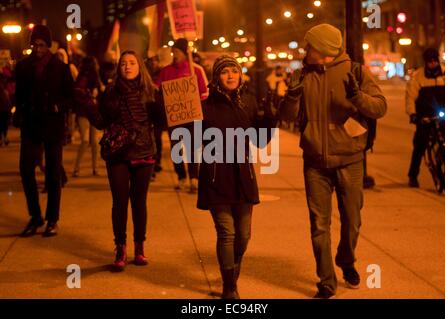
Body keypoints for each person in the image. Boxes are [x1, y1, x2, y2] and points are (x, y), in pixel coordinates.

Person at [279, 24, 387, 298]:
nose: (306, 50)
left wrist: (357, 97)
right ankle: (327, 281)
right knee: (319, 225)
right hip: (315, 161)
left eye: (310, 46)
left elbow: (379, 107)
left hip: (350, 159)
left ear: (324, 48)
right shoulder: (303, 74)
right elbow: (288, 118)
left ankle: (346, 260)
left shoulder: (356, 72)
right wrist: (291, 96)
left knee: (352, 220)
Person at [198, 55, 278, 299]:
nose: (230, 75)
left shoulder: (249, 102)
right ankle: (229, 286)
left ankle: (233, 274)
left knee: (243, 235)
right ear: (216, 77)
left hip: (243, 175)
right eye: (224, 72)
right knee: (227, 233)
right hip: (216, 175)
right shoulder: (205, 105)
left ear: (240, 75)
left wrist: (269, 118)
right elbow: (189, 138)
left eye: (234, 71)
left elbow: (260, 141)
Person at [85, 51, 160, 271]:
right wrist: (88, 106)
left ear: (139, 66)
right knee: (119, 202)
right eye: (123, 63)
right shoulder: (110, 92)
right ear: (119, 68)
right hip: (118, 153)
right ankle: (120, 248)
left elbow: (162, 121)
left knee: (139, 202)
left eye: (132, 63)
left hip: (144, 152)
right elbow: (101, 122)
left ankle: (139, 247)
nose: (127, 66)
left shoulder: (151, 92)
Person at [13, 25, 74, 237]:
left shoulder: (60, 68)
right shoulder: (23, 67)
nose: (37, 49)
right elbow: (18, 95)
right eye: (34, 45)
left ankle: (52, 219)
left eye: (41, 45)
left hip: (52, 125)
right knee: (26, 170)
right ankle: (35, 216)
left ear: (48, 45)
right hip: (31, 125)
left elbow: (70, 96)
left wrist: (59, 105)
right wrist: (19, 111)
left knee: (53, 174)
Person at [155, 38, 209, 192]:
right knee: (176, 149)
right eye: (174, 51)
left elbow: (205, 92)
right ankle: (181, 177)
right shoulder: (166, 71)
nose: (174, 54)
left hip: (192, 117)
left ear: (185, 53)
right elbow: (158, 89)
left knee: (193, 147)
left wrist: (195, 101)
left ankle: (194, 177)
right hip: (174, 118)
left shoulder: (196, 70)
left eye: (177, 51)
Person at [405, 48, 445, 188]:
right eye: (429, 61)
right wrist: (413, 114)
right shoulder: (418, 76)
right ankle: (413, 176)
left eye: (435, 60)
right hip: (424, 115)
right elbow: (410, 97)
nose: (432, 63)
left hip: (441, 113)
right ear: (426, 62)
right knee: (420, 145)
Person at [72, 56, 104, 177]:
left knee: (92, 141)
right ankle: (79, 168)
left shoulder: (89, 76)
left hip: (88, 110)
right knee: (87, 141)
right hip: (86, 111)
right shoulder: (86, 76)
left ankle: (91, 168)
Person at [0, 77, 11, 146]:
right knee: (4, 125)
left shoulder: (5, 91)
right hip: (4, 110)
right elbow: (7, 101)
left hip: (4, 110)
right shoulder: (4, 91)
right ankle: (3, 138)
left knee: (3, 125)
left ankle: (3, 138)